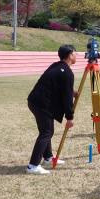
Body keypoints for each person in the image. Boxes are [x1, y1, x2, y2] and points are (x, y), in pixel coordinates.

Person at [26, 45, 77, 175]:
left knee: (46, 130)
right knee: (46, 132)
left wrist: (70, 91)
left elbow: (56, 85)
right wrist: (69, 117)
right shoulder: (67, 73)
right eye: (75, 53)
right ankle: (33, 166)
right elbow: (66, 98)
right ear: (70, 55)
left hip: (35, 100)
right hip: (41, 103)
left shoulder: (56, 65)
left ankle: (48, 157)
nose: (76, 56)